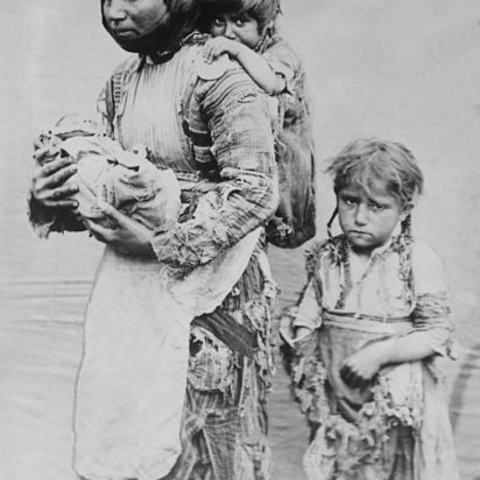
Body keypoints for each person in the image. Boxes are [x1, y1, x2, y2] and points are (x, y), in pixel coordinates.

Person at [28, 1, 280, 479]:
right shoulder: (123, 83)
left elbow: (256, 191)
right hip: (138, 296)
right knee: (135, 434)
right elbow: (108, 185)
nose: (113, 12)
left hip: (216, 301)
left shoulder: (219, 77)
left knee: (207, 440)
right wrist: (54, 196)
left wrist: (160, 244)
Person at [281, 138, 459, 480]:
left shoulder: (416, 260)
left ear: (403, 209)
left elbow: (436, 334)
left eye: (377, 206)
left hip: (393, 401)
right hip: (338, 396)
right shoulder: (326, 258)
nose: (360, 217)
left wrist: (377, 356)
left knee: (392, 469)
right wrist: (309, 359)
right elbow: (307, 316)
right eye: (350, 201)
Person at [199, 0, 316, 248]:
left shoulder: (282, 53)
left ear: (267, 23)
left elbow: (270, 83)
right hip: (248, 153)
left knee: (280, 222)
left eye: (240, 22)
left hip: (285, 157)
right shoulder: (225, 45)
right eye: (220, 21)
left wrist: (237, 51)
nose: (228, 32)